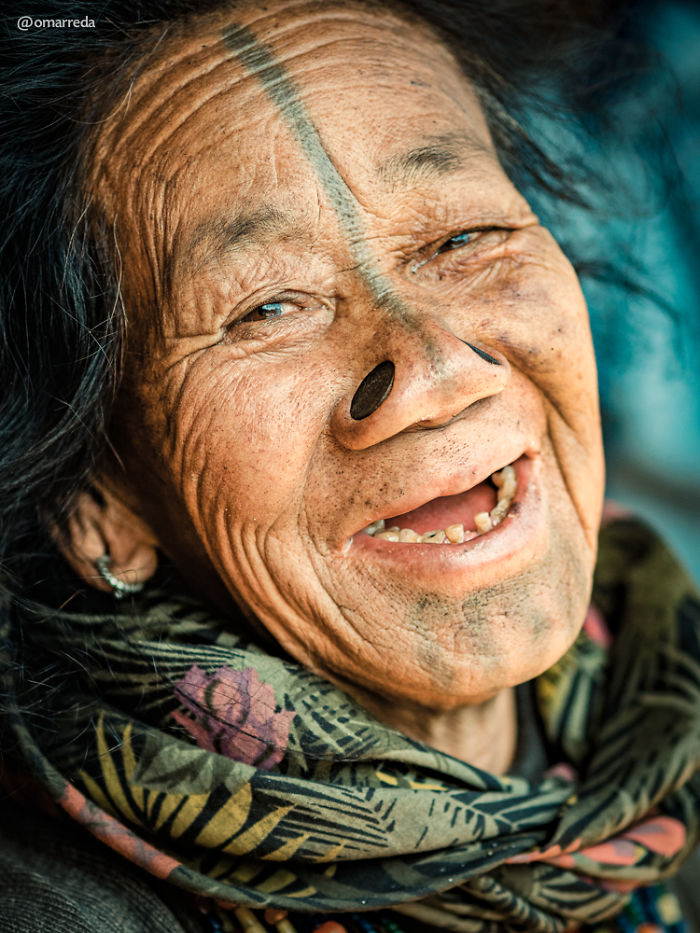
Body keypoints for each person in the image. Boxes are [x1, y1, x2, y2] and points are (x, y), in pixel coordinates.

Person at [0, 1, 697, 931]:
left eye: (463, 237)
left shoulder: (662, 713)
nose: (436, 368)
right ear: (96, 504)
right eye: (268, 308)